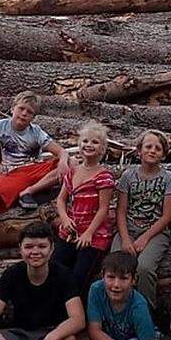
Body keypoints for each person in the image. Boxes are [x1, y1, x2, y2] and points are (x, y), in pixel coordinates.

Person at [0, 91, 70, 267]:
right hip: (14, 174)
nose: (24, 114)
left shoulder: (36, 132)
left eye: (29, 112)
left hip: (34, 172)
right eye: (21, 109)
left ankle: (29, 192)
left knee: (72, 164)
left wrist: (64, 160)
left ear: (33, 117)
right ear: (13, 108)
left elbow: (61, 151)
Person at [112, 129, 171, 305]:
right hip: (128, 229)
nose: (152, 150)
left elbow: (167, 216)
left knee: (143, 268)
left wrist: (145, 238)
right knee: (116, 265)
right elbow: (121, 211)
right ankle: (116, 311)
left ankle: (146, 312)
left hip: (156, 232)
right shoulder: (128, 176)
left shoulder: (168, 178)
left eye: (157, 148)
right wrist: (125, 239)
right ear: (139, 151)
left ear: (163, 154)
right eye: (148, 146)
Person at [53, 121, 116, 294]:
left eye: (95, 142)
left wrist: (89, 232)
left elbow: (104, 209)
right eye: (85, 141)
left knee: (79, 276)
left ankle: (77, 315)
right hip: (71, 231)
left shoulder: (104, 176)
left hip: (93, 235)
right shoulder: (72, 172)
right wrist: (65, 219)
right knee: (55, 268)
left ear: (102, 149)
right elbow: (61, 200)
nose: (89, 145)